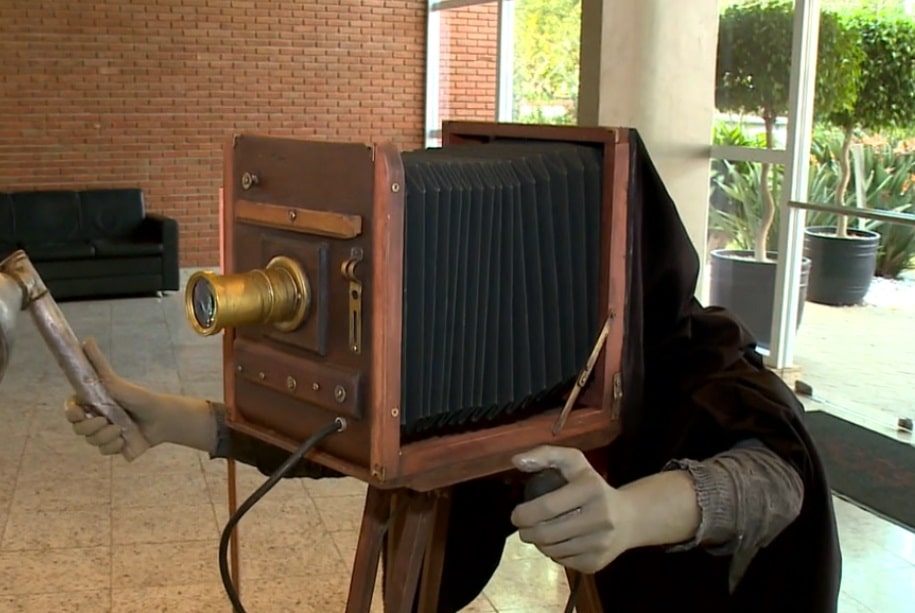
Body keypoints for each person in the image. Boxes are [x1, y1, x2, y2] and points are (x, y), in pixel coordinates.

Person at [63, 133, 841, 612]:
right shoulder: (496, 353)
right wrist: (161, 419)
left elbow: (771, 482)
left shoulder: (704, 368)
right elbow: (333, 442)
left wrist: (631, 515)